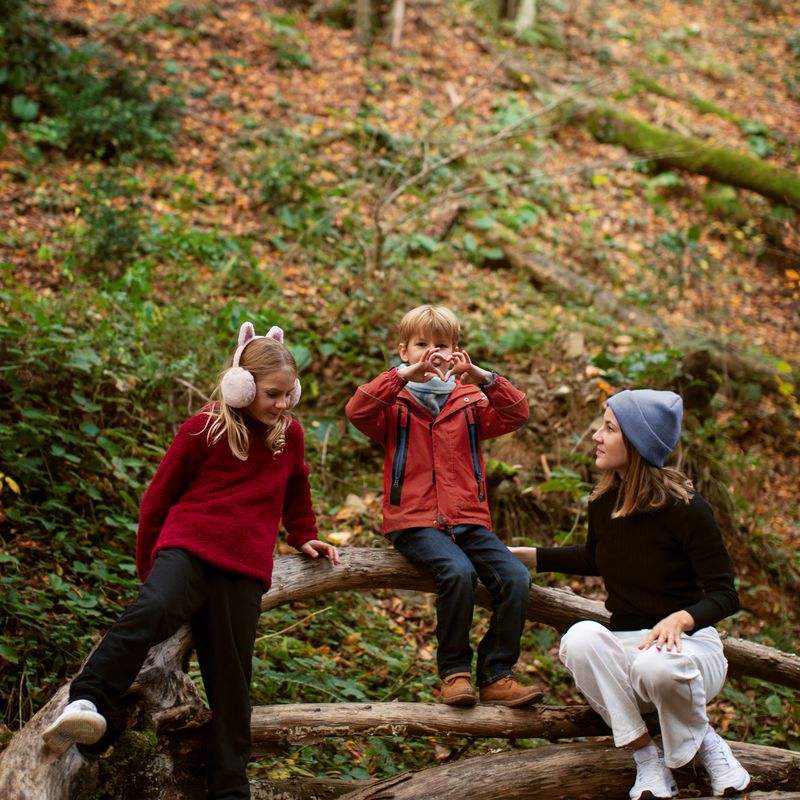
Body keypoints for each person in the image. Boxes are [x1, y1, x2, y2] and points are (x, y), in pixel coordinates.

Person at [43, 322, 340, 800]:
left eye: (290, 394)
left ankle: (229, 788)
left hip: (243, 569)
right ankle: (87, 702)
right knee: (152, 609)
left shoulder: (290, 434)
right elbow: (157, 500)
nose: (283, 404)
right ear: (242, 386)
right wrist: (150, 572)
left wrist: (304, 534)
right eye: (272, 394)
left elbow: (297, 487)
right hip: (189, 546)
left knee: (232, 682)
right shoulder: (204, 427)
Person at [511, 389, 751, 799]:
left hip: (689, 653)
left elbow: (725, 594)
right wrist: (529, 556)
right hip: (629, 650)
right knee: (580, 638)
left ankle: (708, 745)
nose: (595, 436)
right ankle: (646, 757)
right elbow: (598, 556)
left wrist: (682, 618)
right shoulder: (604, 502)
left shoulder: (688, 509)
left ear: (637, 443)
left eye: (608, 428)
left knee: (657, 665)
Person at [345, 304, 542, 708]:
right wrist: (401, 376)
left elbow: (516, 413)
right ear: (404, 351)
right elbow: (357, 410)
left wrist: (484, 378)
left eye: (442, 345)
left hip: (468, 519)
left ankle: (497, 676)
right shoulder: (394, 402)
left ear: (456, 352)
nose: (431, 352)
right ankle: (454, 673)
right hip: (414, 521)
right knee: (457, 571)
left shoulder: (469, 400)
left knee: (515, 577)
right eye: (421, 344)